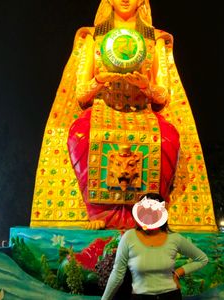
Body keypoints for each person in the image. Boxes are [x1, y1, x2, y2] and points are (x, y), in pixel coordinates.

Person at [67, 0, 180, 229]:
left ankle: (151, 212)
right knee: (80, 136)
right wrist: (100, 80)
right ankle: (98, 213)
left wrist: (146, 86)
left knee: (169, 139)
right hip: (104, 108)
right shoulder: (94, 37)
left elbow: (162, 95)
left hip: (141, 112)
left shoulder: (154, 39)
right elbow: (80, 94)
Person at [101, 193, 209, 300]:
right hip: (140, 297)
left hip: (170, 295)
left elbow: (202, 259)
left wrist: (178, 273)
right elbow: (117, 274)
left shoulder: (175, 238)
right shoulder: (129, 237)